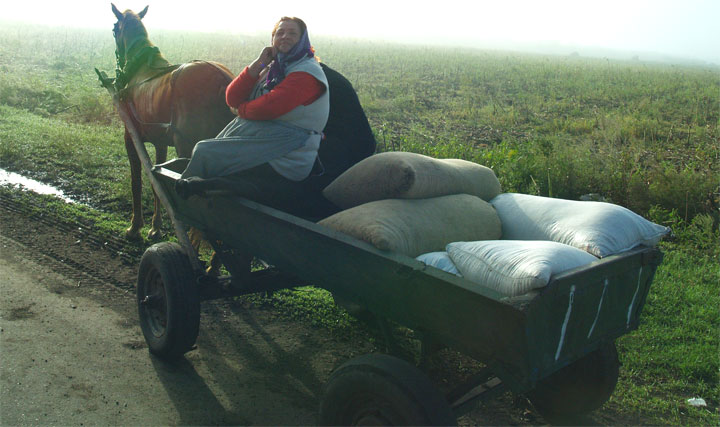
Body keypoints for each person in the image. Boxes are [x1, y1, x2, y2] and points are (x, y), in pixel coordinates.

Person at [175, 17, 329, 212]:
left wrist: (241, 110)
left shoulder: (306, 73)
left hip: (288, 151)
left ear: (303, 39)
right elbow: (232, 96)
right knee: (207, 150)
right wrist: (258, 63)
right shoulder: (273, 69)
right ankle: (195, 195)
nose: (285, 37)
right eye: (280, 33)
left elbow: (269, 107)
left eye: (292, 33)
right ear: (272, 39)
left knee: (205, 151)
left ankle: (187, 205)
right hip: (266, 138)